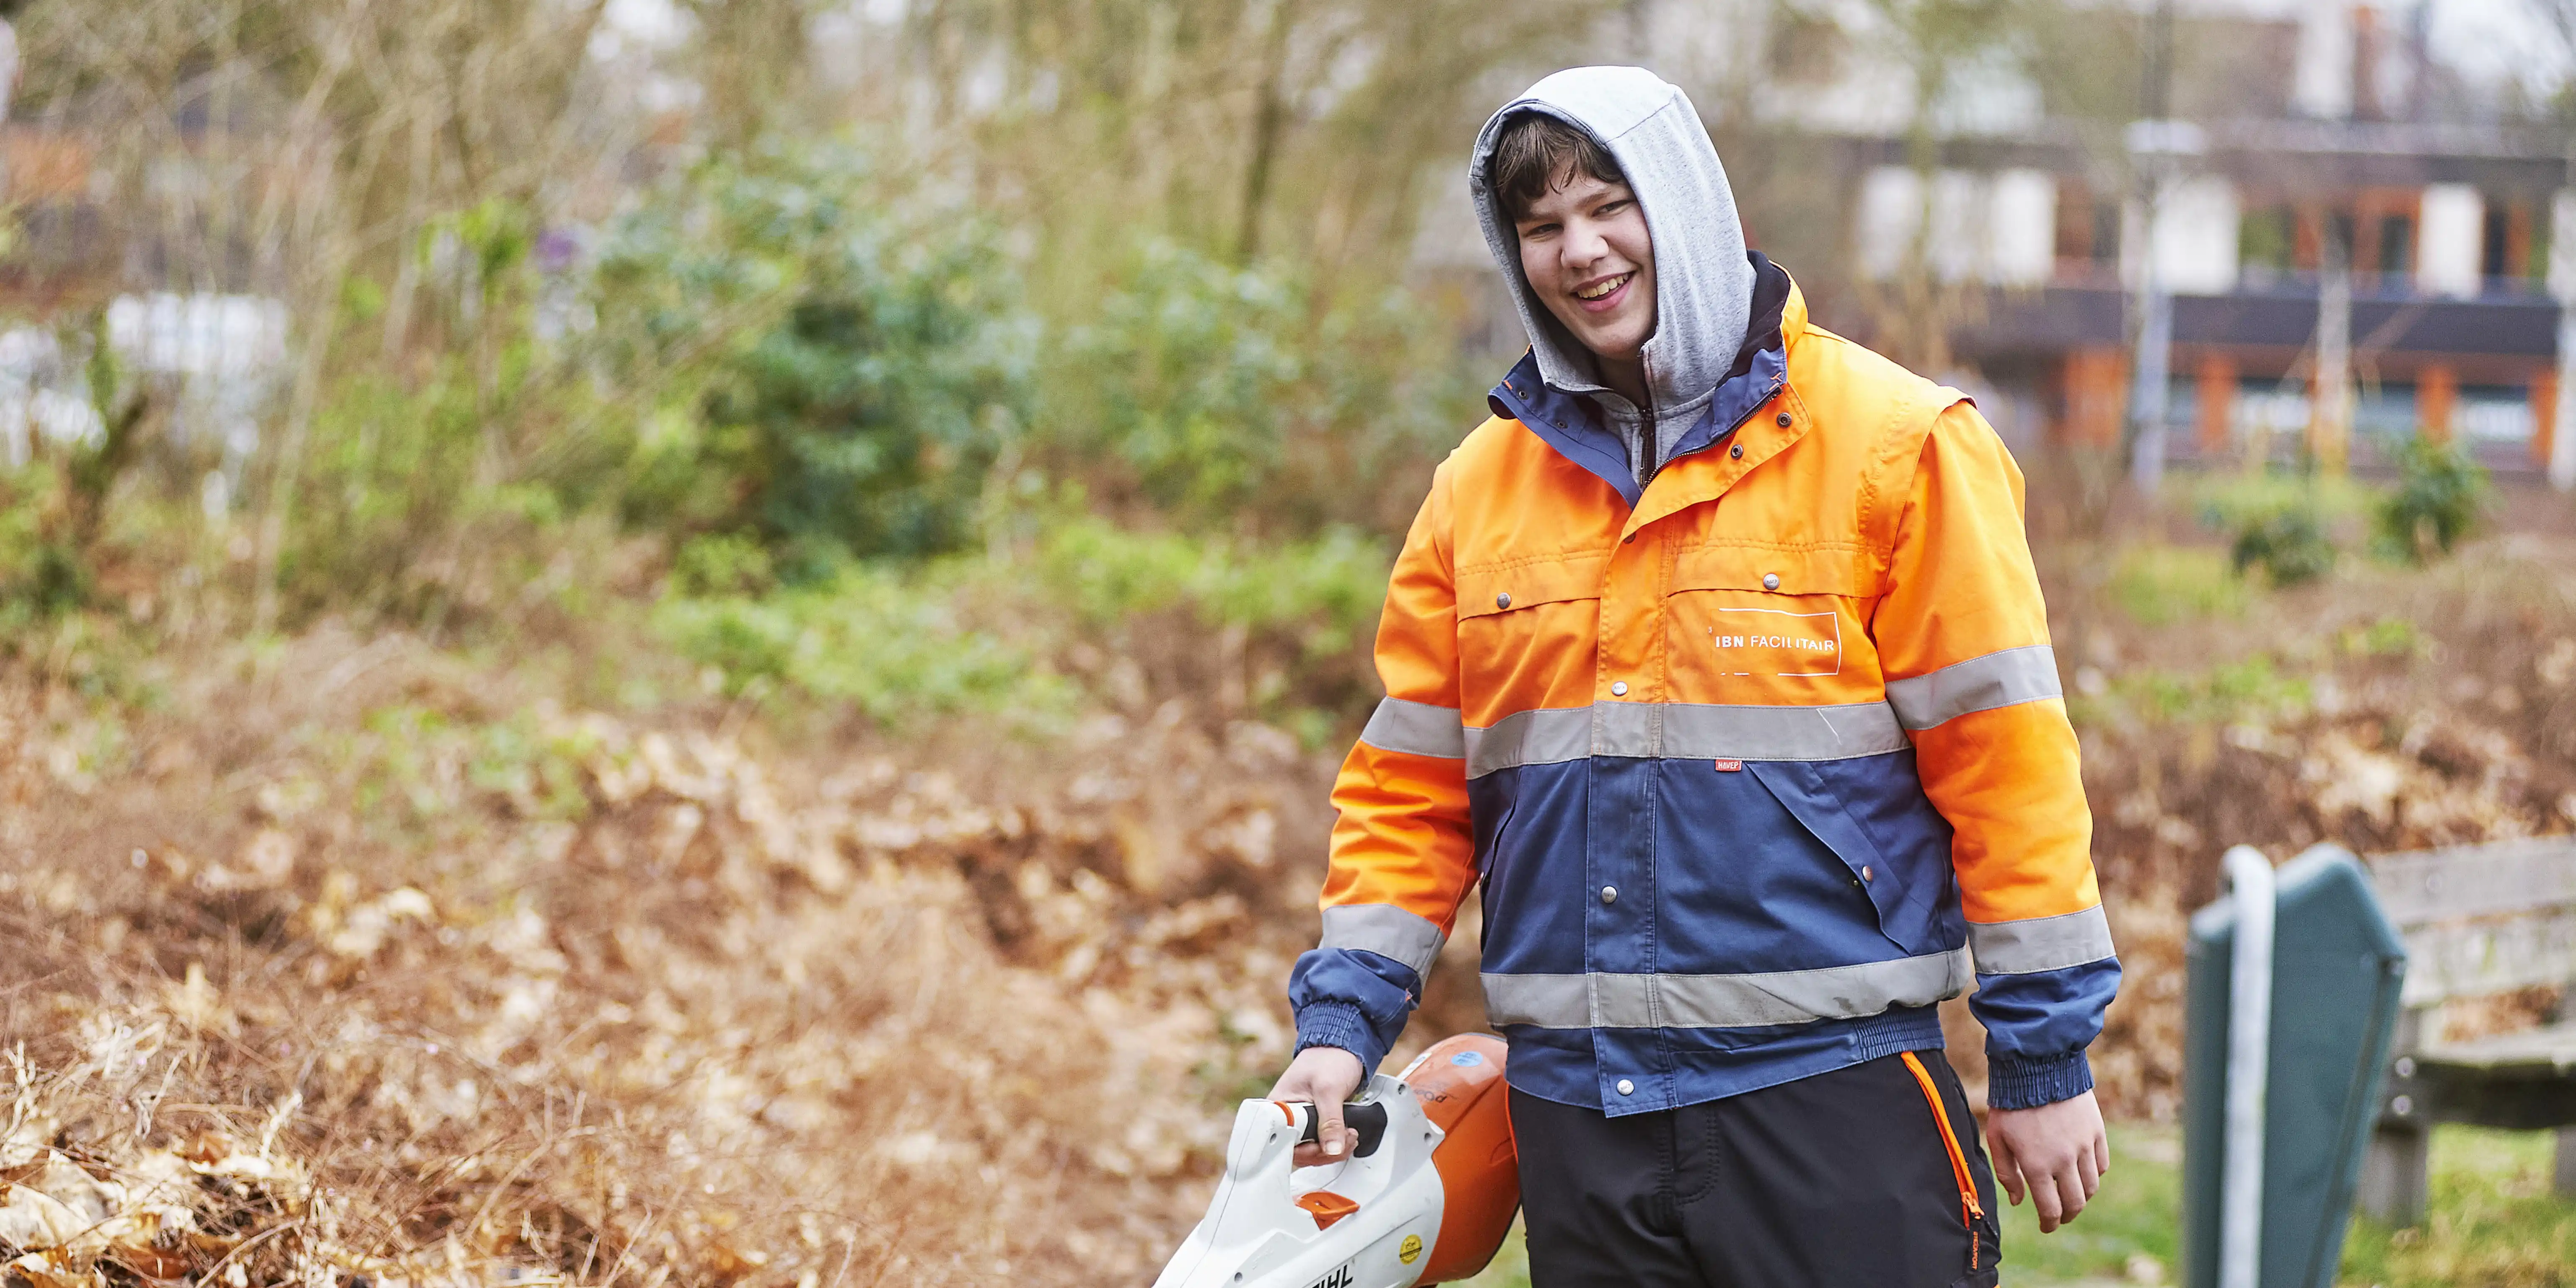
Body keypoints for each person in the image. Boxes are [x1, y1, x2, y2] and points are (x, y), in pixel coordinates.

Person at [1268, 66, 2119, 1287]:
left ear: (1689, 203)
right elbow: (1409, 791)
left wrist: (2043, 1056)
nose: (1581, 251)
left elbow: (2011, 770)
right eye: (1541, 225)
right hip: (1580, 1124)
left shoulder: (1901, 444)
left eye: (1610, 206)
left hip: (1833, 1101)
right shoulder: (1477, 487)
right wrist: (1343, 1027)